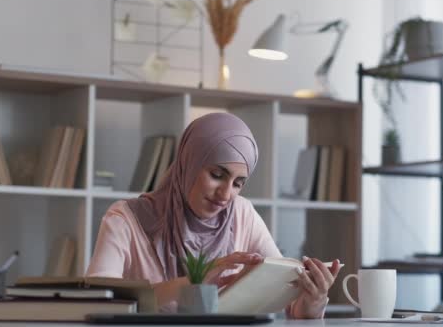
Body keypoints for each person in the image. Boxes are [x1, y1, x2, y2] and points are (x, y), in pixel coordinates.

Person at [86, 112, 341, 319]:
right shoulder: (126, 218)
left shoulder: (241, 213)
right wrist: (194, 282)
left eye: (238, 183)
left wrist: (312, 299)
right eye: (217, 175)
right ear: (190, 162)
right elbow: (97, 301)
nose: (226, 194)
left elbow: (289, 305)